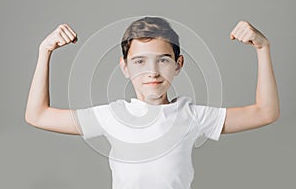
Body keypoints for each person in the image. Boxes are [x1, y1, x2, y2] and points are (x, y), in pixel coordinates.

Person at [25, 16, 280, 189]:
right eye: (140, 61)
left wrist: (262, 49)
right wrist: (44, 51)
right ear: (124, 67)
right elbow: (37, 115)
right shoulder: (112, 116)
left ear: (178, 65)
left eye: (163, 60)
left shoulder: (191, 115)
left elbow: (265, 112)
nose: (152, 72)